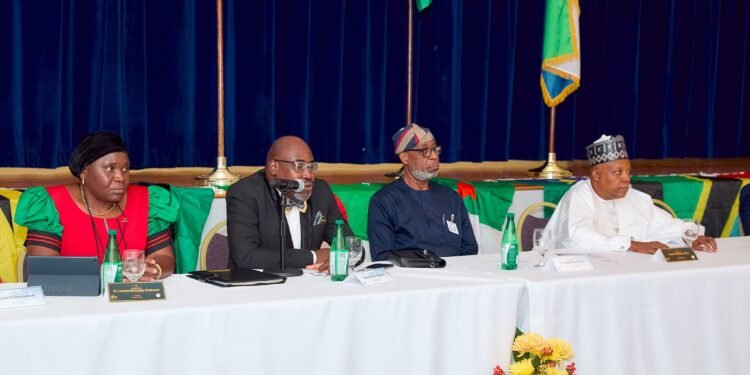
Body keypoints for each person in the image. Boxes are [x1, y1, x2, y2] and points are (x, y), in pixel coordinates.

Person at [15, 132, 178, 280]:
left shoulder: (147, 201)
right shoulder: (51, 204)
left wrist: (153, 269)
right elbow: (44, 269)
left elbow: (164, 257)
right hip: (73, 304)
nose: (120, 177)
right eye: (110, 169)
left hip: (132, 301)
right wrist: (107, 275)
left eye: (125, 169)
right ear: (84, 171)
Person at [545, 134, 718, 254]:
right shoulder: (579, 196)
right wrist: (632, 245)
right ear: (596, 175)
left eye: (628, 172)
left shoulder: (635, 198)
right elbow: (580, 236)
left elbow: (668, 226)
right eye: (618, 172)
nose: (626, 179)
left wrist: (691, 237)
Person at [227, 136, 352, 271]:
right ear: (274, 167)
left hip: (309, 284)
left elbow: (350, 245)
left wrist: (338, 258)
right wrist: (314, 256)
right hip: (256, 285)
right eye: (299, 166)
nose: (308, 175)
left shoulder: (321, 191)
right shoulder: (245, 193)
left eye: (311, 167)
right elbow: (246, 257)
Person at [367, 123, 478, 261]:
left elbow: (470, 248)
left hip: (454, 276)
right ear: (405, 158)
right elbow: (382, 257)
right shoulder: (384, 201)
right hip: (409, 278)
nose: (434, 156)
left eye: (435, 149)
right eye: (425, 150)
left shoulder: (451, 198)